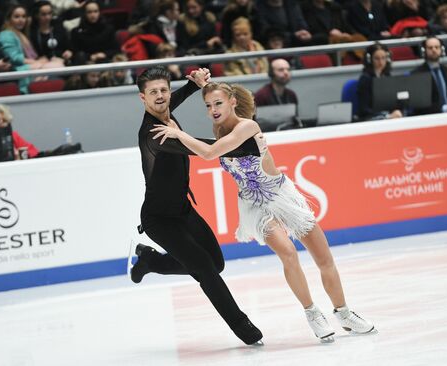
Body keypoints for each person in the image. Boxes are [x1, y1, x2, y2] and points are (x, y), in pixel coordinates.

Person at [151, 81, 375, 341]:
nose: (213, 109)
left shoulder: (248, 126)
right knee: (288, 253)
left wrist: (179, 134)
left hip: (281, 195)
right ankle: (312, 313)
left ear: (233, 102)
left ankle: (344, 313)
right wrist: (178, 124)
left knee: (323, 258)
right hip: (253, 205)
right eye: (208, 105)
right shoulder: (218, 128)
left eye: (218, 103)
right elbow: (208, 146)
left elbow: (211, 152)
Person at [128, 66, 264, 346]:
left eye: (164, 90)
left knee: (216, 263)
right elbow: (205, 150)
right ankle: (243, 327)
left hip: (182, 210)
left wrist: (192, 85)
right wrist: (244, 146)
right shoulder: (155, 133)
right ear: (142, 98)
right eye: (153, 92)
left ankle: (150, 261)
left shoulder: (164, 109)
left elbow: (170, 103)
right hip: (159, 219)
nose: (161, 96)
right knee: (204, 267)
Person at [0, 4, 65, 94]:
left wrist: (40, 61)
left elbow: (32, 57)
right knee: (57, 65)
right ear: (9, 19)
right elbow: (14, 57)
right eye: (17, 17)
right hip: (16, 70)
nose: (21, 20)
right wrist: (37, 63)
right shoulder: (6, 35)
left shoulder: (22, 34)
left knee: (58, 62)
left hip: (28, 67)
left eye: (23, 16)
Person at [411, 37, 447, 115]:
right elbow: (420, 105)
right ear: (424, 51)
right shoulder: (417, 74)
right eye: (430, 48)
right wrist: (445, 108)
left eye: (437, 47)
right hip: (430, 117)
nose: (434, 50)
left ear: (442, 50)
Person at [357, 43, 403, 121]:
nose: (381, 62)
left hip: (388, 116)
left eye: (383, 58)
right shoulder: (365, 79)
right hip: (371, 118)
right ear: (369, 59)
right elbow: (364, 109)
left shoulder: (388, 76)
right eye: (377, 58)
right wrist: (386, 116)